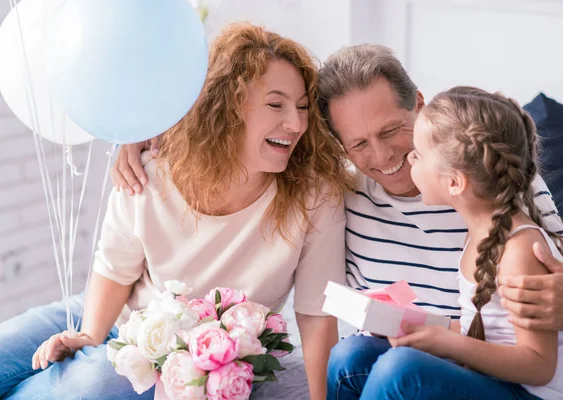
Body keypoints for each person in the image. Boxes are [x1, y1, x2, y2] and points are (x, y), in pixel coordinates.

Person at [113, 44, 563, 398]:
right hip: (416, 355)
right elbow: (251, 125)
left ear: (421, 107)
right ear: (337, 146)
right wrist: (153, 136)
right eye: (358, 144)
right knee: (348, 359)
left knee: (398, 371)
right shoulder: (337, 190)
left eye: (394, 131)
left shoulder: (495, 184)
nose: (386, 157)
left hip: (450, 367)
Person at [0, 23, 353, 400]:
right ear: (226, 107)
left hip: (174, 357)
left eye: (302, 107)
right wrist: (89, 336)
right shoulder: (153, 171)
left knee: (87, 387)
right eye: (275, 104)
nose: (296, 124)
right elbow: (115, 269)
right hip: (107, 311)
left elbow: (316, 315)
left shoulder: (314, 196)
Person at [345, 86, 563, 399]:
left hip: (526, 392)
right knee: (353, 355)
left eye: (419, 155)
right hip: (488, 379)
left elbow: (539, 366)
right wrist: (418, 327)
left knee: (401, 369)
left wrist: (448, 343)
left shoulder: (520, 252)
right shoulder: (479, 233)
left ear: (454, 182)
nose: (409, 160)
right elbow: (485, 330)